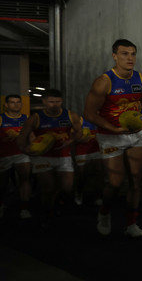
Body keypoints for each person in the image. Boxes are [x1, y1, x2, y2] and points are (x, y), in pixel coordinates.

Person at [84, 39, 142, 238]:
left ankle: (131, 223)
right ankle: (104, 212)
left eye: (133, 54)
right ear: (115, 56)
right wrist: (113, 128)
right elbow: (90, 114)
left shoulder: (141, 79)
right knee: (115, 183)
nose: (130, 58)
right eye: (125, 54)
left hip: (135, 135)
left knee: (136, 180)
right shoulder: (104, 81)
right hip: (110, 137)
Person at [17, 89, 83, 225]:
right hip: (43, 157)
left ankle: (56, 201)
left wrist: (71, 141)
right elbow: (21, 138)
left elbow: (79, 133)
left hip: (63, 156)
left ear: (62, 101)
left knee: (67, 188)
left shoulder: (70, 115)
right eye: (51, 102)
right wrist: (26, 151)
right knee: (48, 189)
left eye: (58, 101)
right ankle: (48, 212)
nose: (55, 104)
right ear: (44, 102)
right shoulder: (36, 118)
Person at [0, 95, 32, 220]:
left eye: (18, 102)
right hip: (3, 156)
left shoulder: (26, 119)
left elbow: (31, 136)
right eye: (12, 102)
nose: (16, 104)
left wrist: (33, 148)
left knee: (25, 179)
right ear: (6, 105)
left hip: (21, 154)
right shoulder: (1, 119)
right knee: (2, 184)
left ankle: (24, 208)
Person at [72, 116, 103, 207]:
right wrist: (79, 138)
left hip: (96, 149)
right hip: (82, 151)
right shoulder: (80, 120)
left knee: (99, 172)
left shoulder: (101, 119)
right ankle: (79, 192)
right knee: (82, 175)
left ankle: (99, 196)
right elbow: (73, 137)